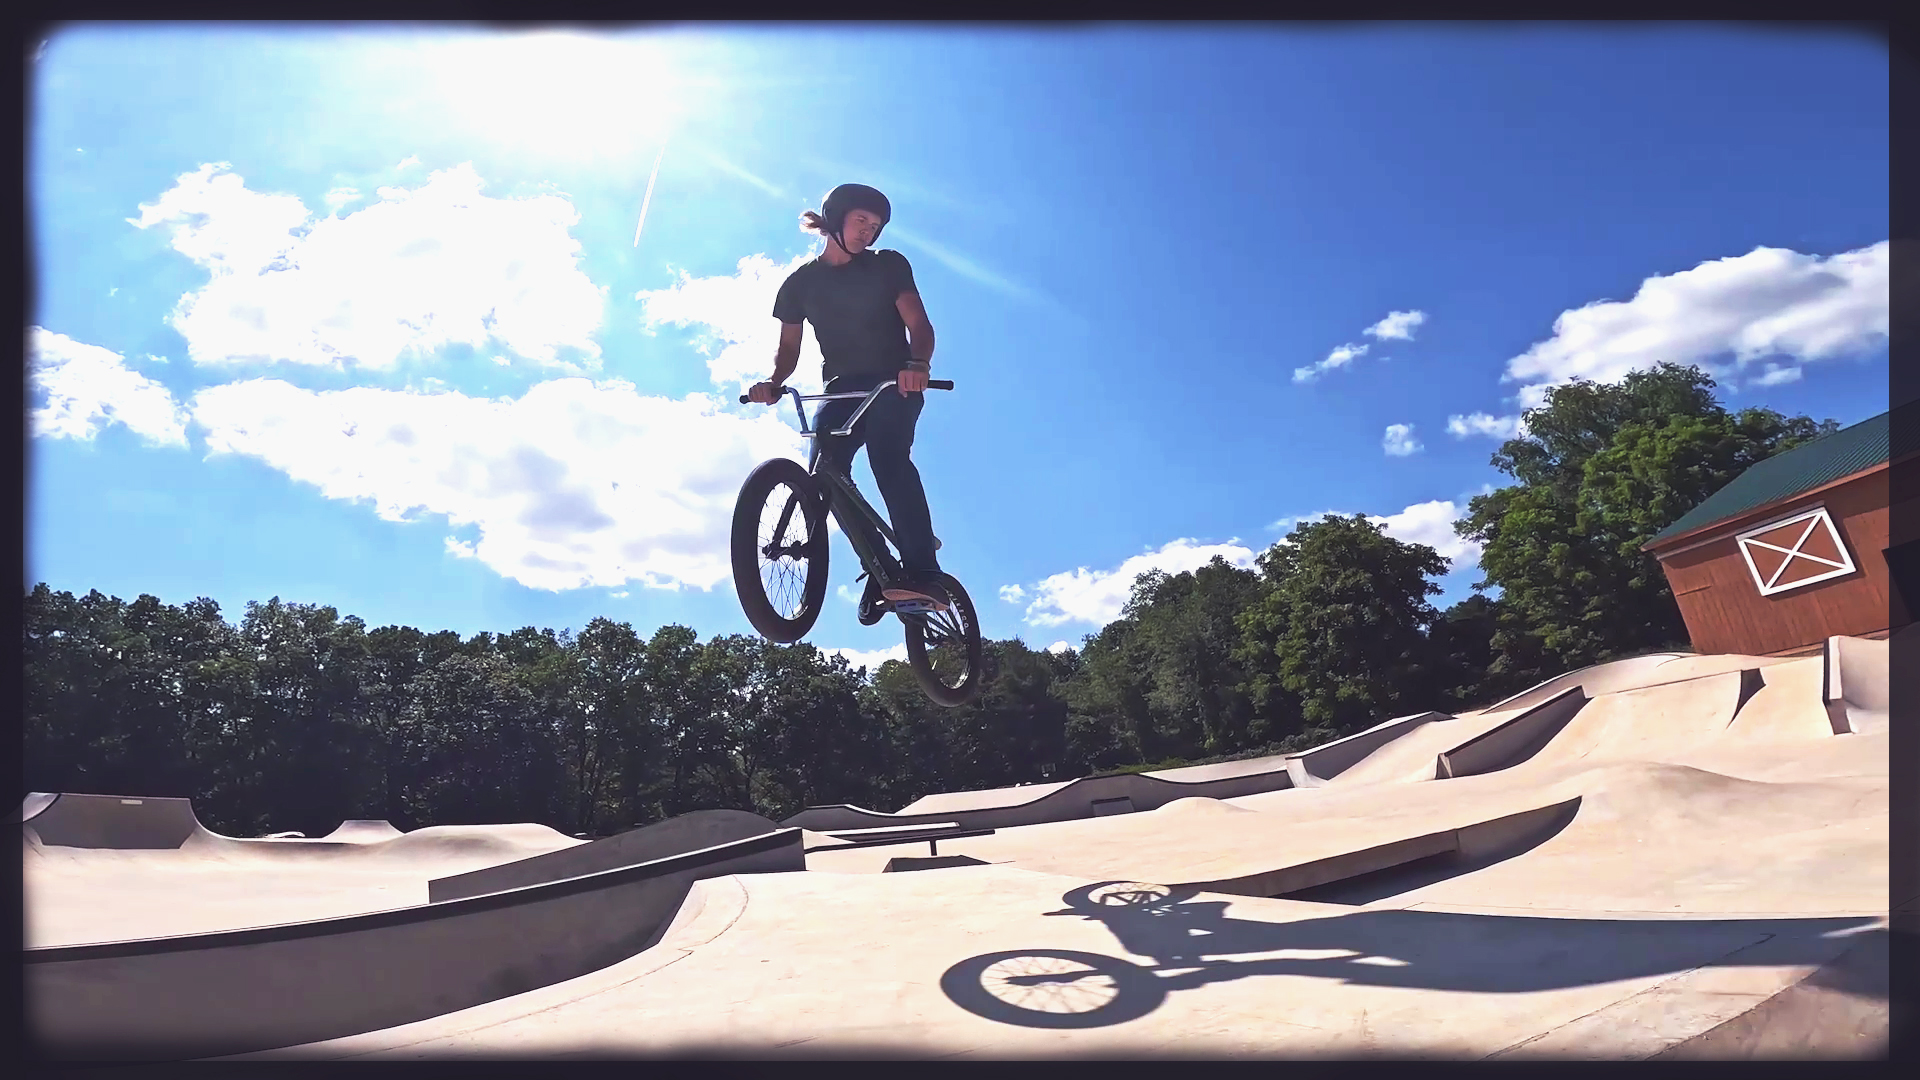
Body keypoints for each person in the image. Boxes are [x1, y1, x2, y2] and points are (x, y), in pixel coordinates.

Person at [747, 183, 950, 613]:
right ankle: (880, 571)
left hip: (894, 384)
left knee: (888, 461)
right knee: (825, 471)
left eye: (875, 227)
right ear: (835, 218)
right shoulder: (799, 284)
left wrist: (918, 366)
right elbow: (788, 350)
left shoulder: (888, 266)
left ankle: (926, 573)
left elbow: (919, 324)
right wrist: (773, 381)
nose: (868, 233)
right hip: (841, 389)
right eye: (862, 221)